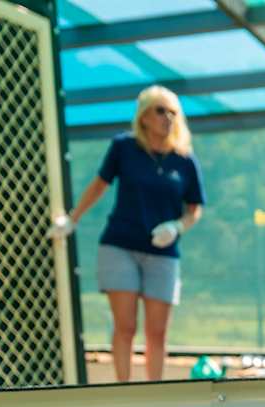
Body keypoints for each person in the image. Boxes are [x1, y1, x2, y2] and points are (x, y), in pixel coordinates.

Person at [49, 85, 204, 381]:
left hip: (163, 254)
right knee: (126, 326)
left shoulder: (185, 160)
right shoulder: (124, 147)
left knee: (157, 331)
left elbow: (194, 209)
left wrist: (176, 227)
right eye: (160, 111)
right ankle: (124, 390)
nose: (168, 118)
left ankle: (155, 392)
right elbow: (99, 185)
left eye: (173, 112)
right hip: (119, 247)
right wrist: (72, 219)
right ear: (144, 116)